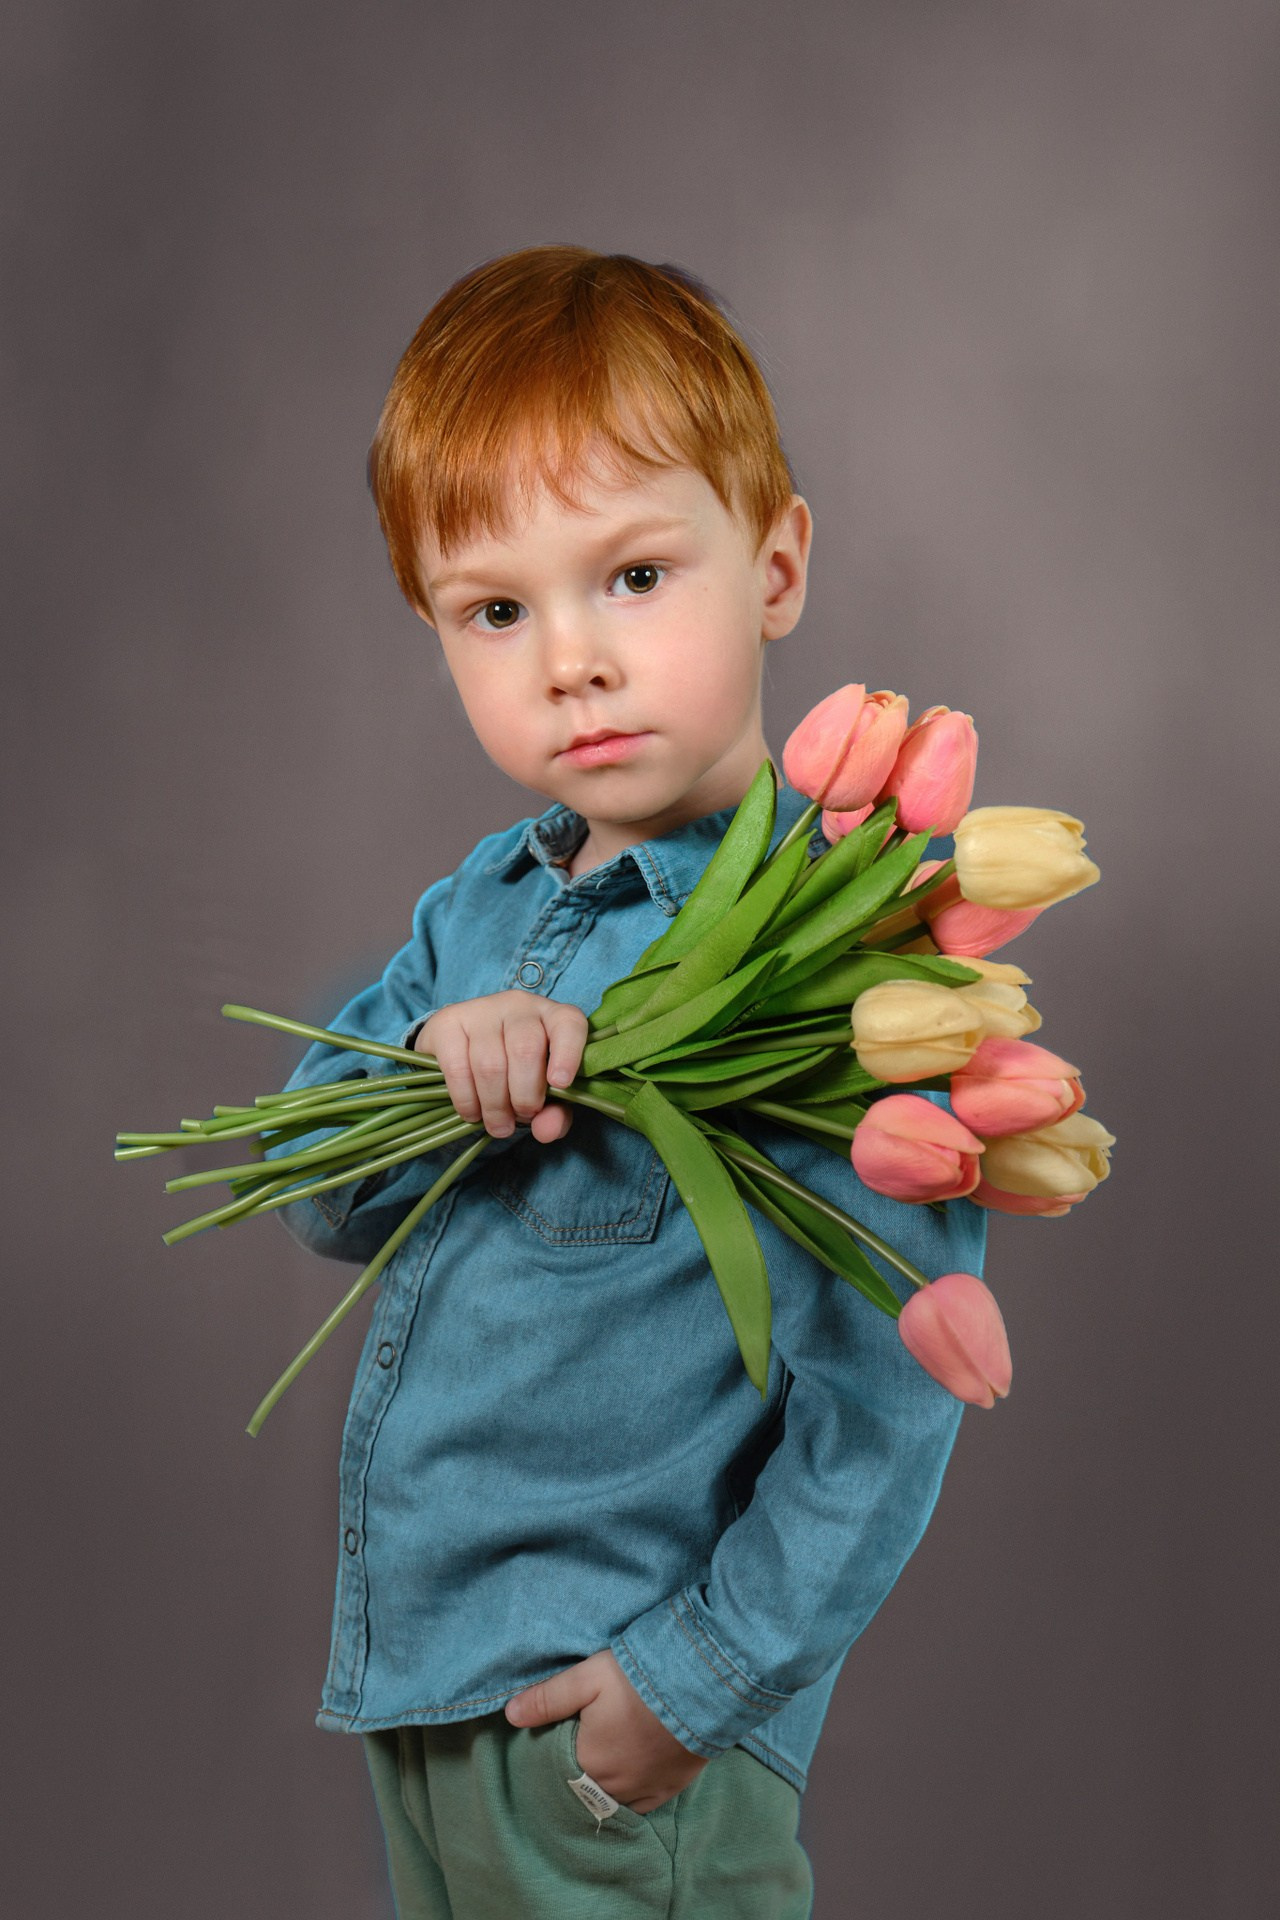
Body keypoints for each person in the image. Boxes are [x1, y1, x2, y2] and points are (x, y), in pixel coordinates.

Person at [271, 245, 986, 1919]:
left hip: (612, 1735)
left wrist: (689, 1687)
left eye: (637, 577)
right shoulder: (477, 912)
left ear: (776, 566)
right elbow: (317, 1189)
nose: (571, 660)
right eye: (496, 610)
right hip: (424, 1686)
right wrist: (424, 1067)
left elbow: (888, 1400)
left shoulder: (836, 970)